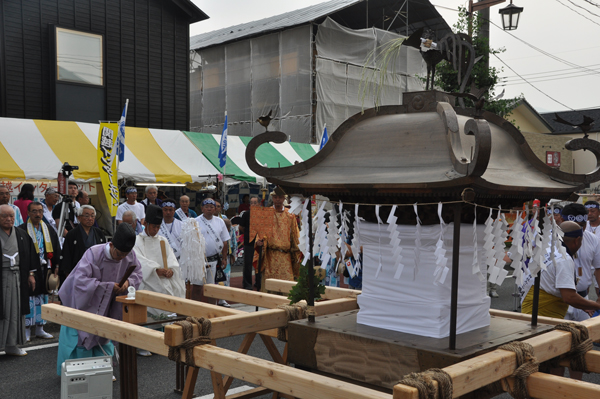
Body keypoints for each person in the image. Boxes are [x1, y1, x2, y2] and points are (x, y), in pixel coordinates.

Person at [56, 223, 142, 375]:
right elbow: (80, 281)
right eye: (119, 254)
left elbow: (137, 273)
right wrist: (108, 287)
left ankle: (104, 371)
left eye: (125, 255)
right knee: (84, 335)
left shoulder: (129, 254)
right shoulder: (93, 254)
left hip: (110, 302)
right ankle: (80, 371)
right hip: (87, 302)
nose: (122, 258)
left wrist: (128, 283)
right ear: (111, 245)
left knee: (106, 334)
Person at [521, 221, 600, 319]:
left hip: (530, 311)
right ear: (577, 240)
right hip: (544, 318)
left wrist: (584, 305)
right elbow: (569, 297)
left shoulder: (545, 250)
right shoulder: (563, 259)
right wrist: (596, 305)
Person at [17, 202, 61, 342]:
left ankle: (40, 328)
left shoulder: (48, 228)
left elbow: (56, 247)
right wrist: (29, 271)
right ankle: (26, 328)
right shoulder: (22, 230)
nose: (38, 214)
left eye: (40, 211)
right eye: (34, 211)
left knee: (43, 297)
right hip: (29, 269)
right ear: (28, 213)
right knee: (29, 298)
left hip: (45, 269)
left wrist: (57, 265)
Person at [134, 205, 185, 325]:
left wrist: (171, 270)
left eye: (158, 227)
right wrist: (155, 271)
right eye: (153, 226)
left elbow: (171, 258)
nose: (156, 230)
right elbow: (139, 261)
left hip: (165, 280)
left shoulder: (163, 240)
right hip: (148, 281)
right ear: (146, 224)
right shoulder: (137, 241)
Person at [0, 204, 39, 356]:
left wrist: (31, 274)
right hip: (2, 277)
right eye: (4, 216)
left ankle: (11, 345)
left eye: (11, 216)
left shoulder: (21, 234)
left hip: (18, 277)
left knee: (15, 311)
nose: (9, 219)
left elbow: (30, 256)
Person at [255, 187, 302, 290]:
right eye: (275, 197)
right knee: (270, 287)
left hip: (285, 256)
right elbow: (260, 231)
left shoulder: (290, 215)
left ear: (284, 198)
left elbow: (295, 235)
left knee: (287, 287)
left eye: (280, 197)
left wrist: (299, 249)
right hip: (270, 256)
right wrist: (258, 241)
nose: (277, 200)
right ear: (272, 198)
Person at [193, 199, 230, 304]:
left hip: (214, 260)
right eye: (206, 206)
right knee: (197, 287)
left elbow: (225, 241)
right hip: (199, 259)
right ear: (202, 208)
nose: (209, 209)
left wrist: (224, 258)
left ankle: (211, 310)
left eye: (211, 207)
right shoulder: (195, 221)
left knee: (212, 288)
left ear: (215, 209)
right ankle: (195, 310)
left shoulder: (220, 221)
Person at [59, 205, 107, 282]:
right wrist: (67, 274)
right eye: (87, 216)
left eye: (92, 216)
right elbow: (67, 254)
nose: (90, 219)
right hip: (78, 269)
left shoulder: (99, 233)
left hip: (96, 269)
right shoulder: (72, 234)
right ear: (79, 218)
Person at [240, 196, 260, 290]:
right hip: (249, 242)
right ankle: (247, 283)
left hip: (259, 242)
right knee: (248, 264)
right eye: (251, 203)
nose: (253, 204)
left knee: (259, 263)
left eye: (255, 203)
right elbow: (241, 227)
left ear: (259, 204)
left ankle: (259, 282)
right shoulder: (246, 214)